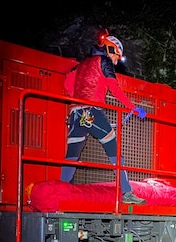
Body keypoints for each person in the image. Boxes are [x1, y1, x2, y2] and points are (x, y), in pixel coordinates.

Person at [62, 32, 146, 205]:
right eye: (117, 55)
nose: (116, 60)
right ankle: (127, 192)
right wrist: (133, 108)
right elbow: (114, 87)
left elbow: (67, 83)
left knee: (72, 155)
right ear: (110, 49)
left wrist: (78, 98)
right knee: (114, 150)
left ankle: (60, 190)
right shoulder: (104, 61)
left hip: (75, 113)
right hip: (91, 112)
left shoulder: (80, 65)